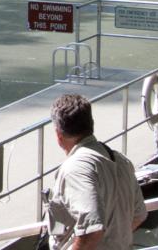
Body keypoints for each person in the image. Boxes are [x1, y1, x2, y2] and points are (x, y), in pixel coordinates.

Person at [44, 94, 146, 250]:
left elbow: (93, 230)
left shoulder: (75, 170)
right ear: (91, 124)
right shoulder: (121, 161)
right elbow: (139, 215)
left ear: (58, 134)